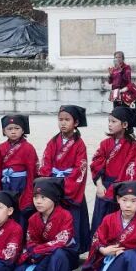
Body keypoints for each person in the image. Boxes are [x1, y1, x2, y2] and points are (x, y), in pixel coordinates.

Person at [13, 177, 78, 271]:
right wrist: (37, 251)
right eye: (35, 197)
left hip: (64, 252)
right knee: (20, 263)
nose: (38, 201)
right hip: (41, 253)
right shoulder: (33, 219)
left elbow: (62, 241)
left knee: (57, 255)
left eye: (43, 197)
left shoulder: (65, 215)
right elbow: (31, 242)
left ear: (54, 198)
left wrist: (40, 250)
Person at [39, 105, 91, 253]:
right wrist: (49, 184)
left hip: (70, 187)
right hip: (53, 184)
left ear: (76, 123)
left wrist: (63, 187)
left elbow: (80, 168)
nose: (63, 123)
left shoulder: (79, 144)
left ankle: (73, 251)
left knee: (72, 219)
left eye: (67, 120)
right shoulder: (53, 142)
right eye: (60, 119)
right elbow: (46, 162)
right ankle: (53, 247)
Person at [90, 106, 136, 241]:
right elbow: (96, 164)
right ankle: (98, 246)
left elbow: (129, 168)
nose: (110, 124)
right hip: (104, 185)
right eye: (109, 121)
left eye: (113, 121)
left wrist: (116, 188)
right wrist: (99, 185)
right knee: (100, 218)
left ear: (124, 125)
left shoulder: (133, 146)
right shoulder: (105, 144)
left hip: (121, 188)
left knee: (117, 220)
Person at [0, 114, 38, 227]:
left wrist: (29, 193)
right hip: (6, 184)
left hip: (21, 184)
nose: (13, 132)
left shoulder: (28, 148)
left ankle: (20, 234)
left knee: (20, 211)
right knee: (6, 209)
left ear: (23, 130)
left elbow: (32, 172)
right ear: (4, 131)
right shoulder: (1, 148)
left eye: (17, 128)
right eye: (9, 129)